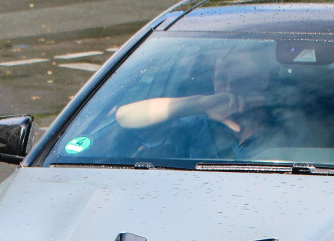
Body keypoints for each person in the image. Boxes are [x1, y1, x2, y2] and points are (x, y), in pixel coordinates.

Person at [114, 44, 284, 159]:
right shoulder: (198, 122)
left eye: (241, 78)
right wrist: (200, 104)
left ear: (263, 79)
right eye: (222, 79)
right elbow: (125, 116)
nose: (230, 87)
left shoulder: (291, 124)